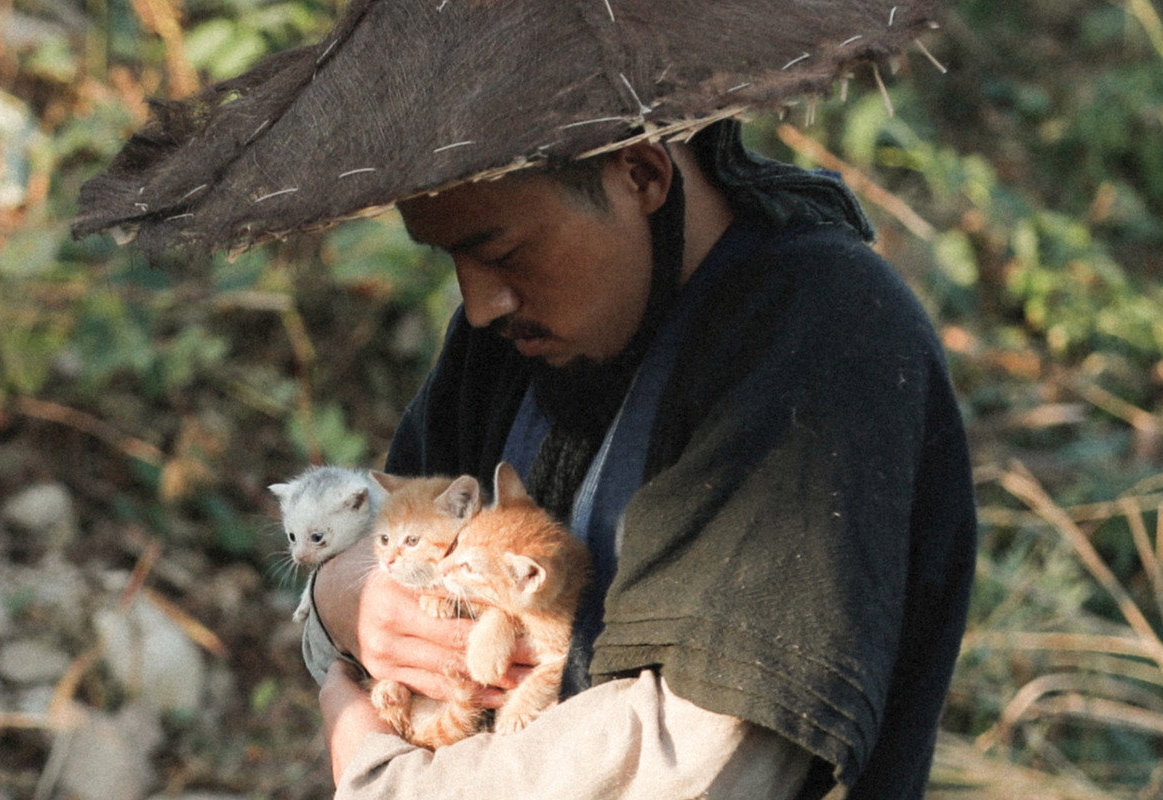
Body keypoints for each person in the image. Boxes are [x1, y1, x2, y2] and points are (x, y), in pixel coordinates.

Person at [72, 1, 971, 795]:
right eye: (452, 261)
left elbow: (695, 759)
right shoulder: (512, 339)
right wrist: (347, 597)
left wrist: (385, 782)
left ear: (641, 175)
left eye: (501, 253)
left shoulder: (822, 337)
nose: (477, 303)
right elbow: (367, 541)